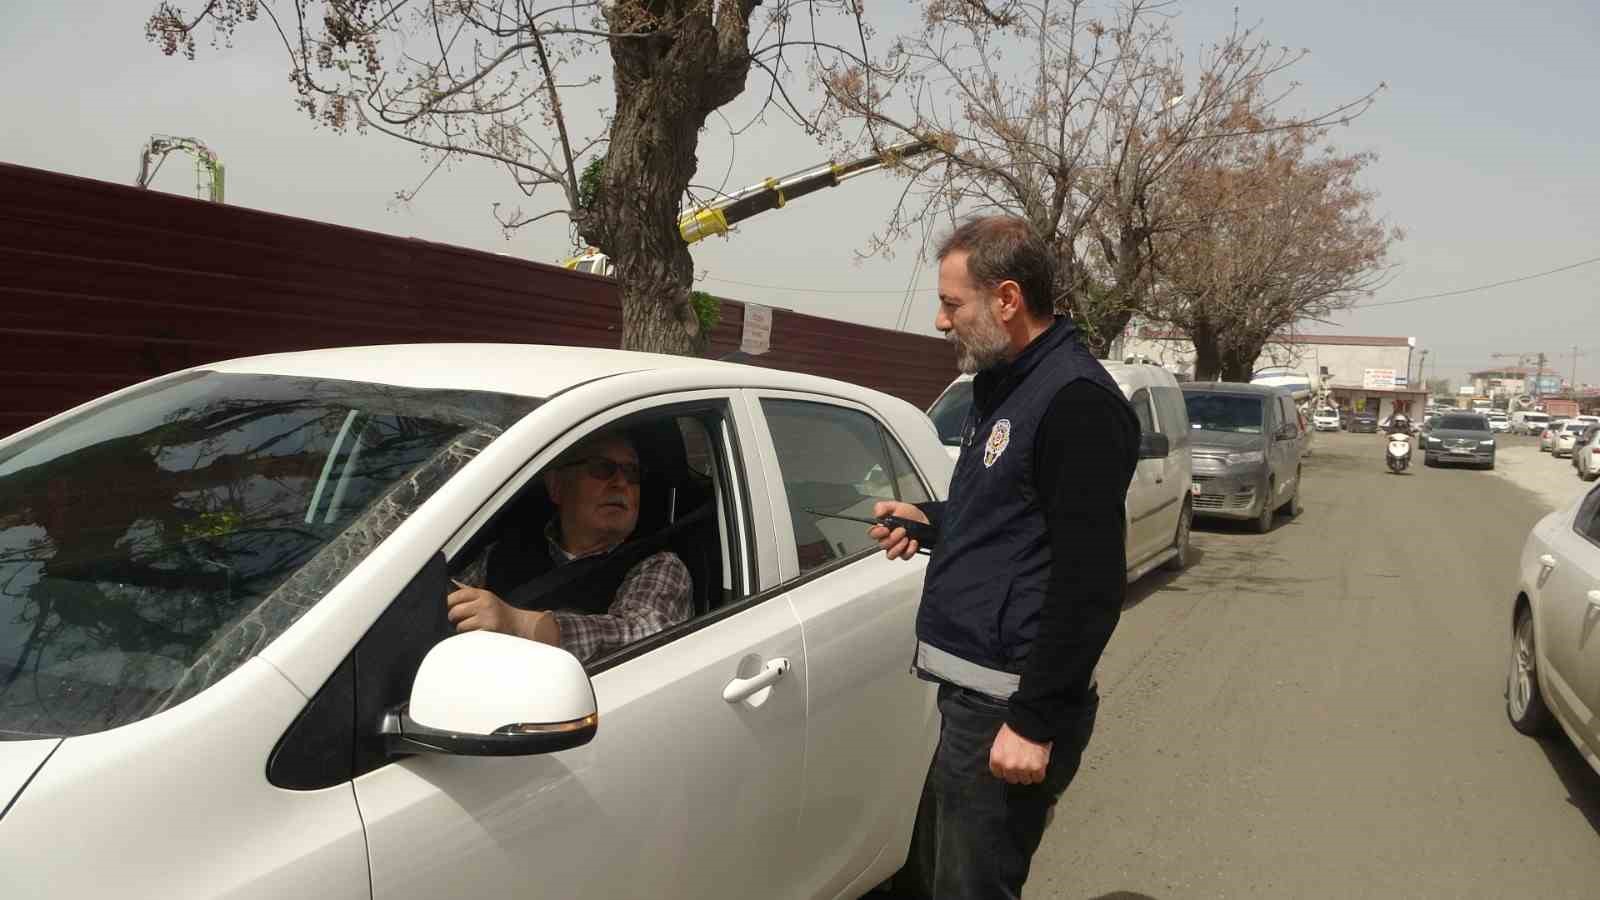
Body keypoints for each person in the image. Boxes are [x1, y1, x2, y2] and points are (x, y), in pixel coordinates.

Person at [871, 215, 1139, 899]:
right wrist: (932, 524)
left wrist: (1033, 720)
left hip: (1008, 707)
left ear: (1008, 300)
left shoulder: (1075, 402)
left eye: (952, 303)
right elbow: (1014, 517)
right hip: (976, 699)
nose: (939, 320)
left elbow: (1090, 582)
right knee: (939, 880)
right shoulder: (1009, 382)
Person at [445, 430, 692, 663]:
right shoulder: (503, 552)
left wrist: (518, 623)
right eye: (602, 468)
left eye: (632, 473)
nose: (621, 483)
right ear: (557, 486)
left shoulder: (659, 565)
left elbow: (643, 636)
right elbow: (443, 601)